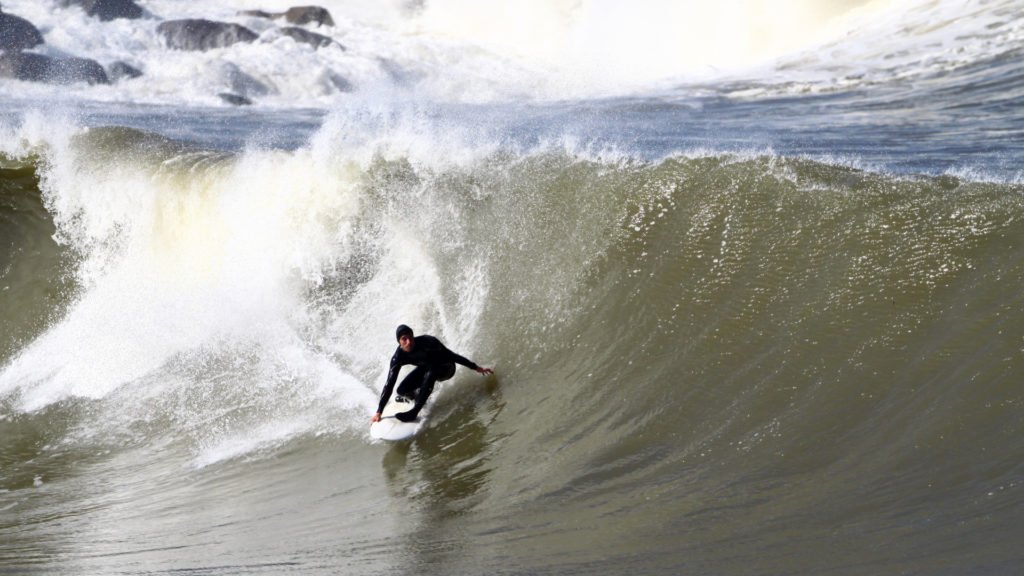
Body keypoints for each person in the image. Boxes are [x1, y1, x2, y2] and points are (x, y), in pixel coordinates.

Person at [371, 324, 493, 423]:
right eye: (404, 339)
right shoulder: (398, 357)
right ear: (399, 342)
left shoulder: (428, 342)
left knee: (431, 372)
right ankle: (420, 396)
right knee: (402, 390)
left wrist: (476, 367)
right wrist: (379, 411)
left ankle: (414, 411)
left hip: (447, 368)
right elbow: (389, 384)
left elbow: (452, 356)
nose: (409, 342)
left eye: (410, 337)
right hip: (427, 368)